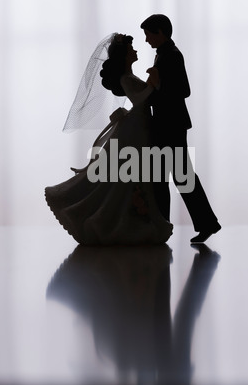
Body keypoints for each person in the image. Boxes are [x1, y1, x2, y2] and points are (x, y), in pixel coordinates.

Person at [45, 33, 173, 245]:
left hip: (139, 126)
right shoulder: (126, 78)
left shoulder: (130, 76)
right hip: (136, 129)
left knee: (132, 172)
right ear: (124, 56)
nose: (136, 51)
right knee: (127, 171)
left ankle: (135, 215)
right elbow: (140, 99)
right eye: (131, 49)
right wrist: (152, 84)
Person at [140, 14, 221, 243]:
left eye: (148, 35)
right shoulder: (165, 54)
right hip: (168, 125)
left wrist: (157, 85)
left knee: (172, 176)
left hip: (171, 126)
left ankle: (165, 226)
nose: (146, 40)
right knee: (170, 177)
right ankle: (191, 224)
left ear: (160, 32)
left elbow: (183, 90)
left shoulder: (172, 56)